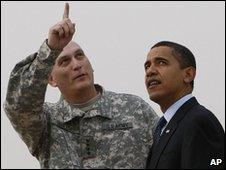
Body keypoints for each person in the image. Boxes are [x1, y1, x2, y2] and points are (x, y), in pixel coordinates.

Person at [3, 3, 159, 169]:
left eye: (80, 56)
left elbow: (168, 155)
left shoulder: (135, 109)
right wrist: (51, 50)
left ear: (91, 66)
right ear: (51, 79)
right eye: (64, 61)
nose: (76, 65)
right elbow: (18, 106)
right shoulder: (47, 122)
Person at [144, 41, 225, 169]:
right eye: (147, 66)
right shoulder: (162, 128)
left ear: (188, 75)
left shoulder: (198, 121)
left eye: (161, 63)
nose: (150, 71)